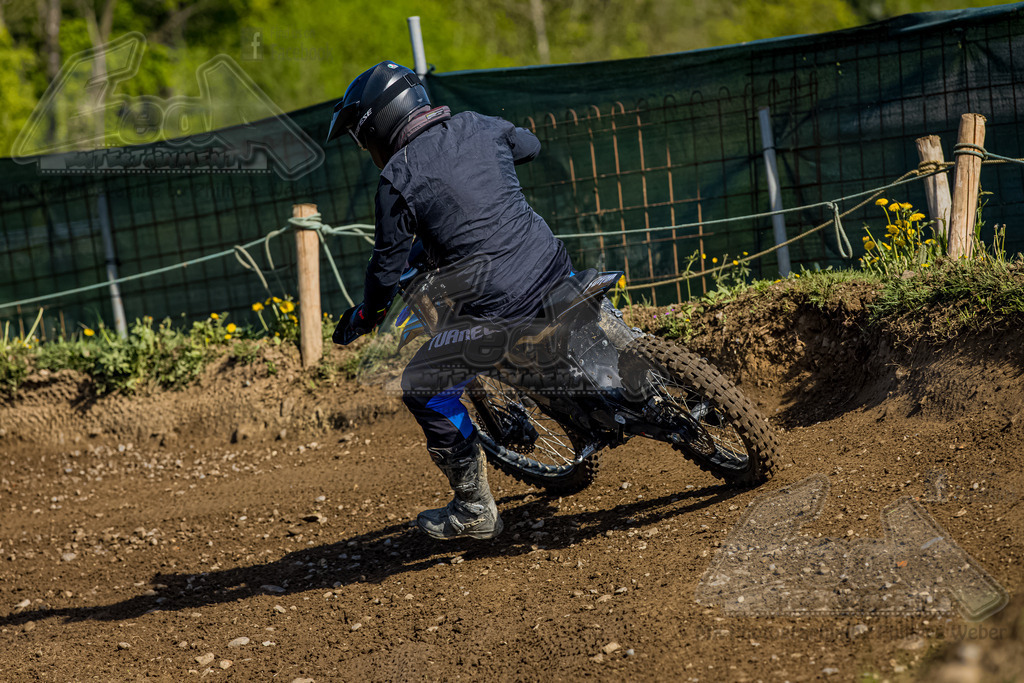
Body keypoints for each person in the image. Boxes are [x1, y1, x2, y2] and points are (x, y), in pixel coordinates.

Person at [326, 61, 572, 541]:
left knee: (422, 385)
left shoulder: (397, 178)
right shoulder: (478, 123)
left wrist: (366, 316)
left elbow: (385, 270)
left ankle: (475, 508)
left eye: (362, 138)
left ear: (377, 127)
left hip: (498, 305)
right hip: (553, 264)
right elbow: (531, 146)